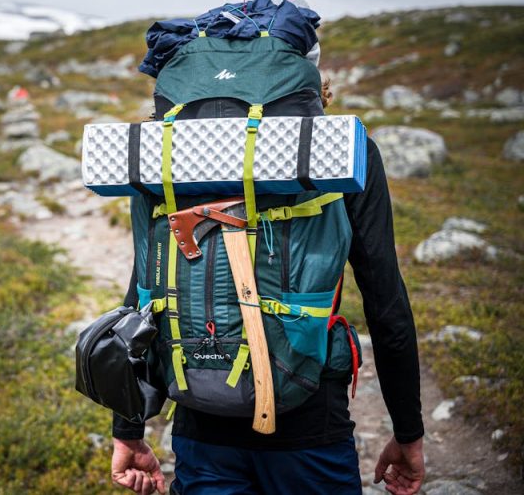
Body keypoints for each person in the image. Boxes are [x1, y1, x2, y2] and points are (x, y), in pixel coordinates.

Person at [109, 79, 426, 495]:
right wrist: (408, 432)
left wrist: (128, 430)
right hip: (312, 427)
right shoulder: (341, 148)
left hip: (202, 427)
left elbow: (142, 300)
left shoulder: (162, 152)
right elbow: (386, 305)